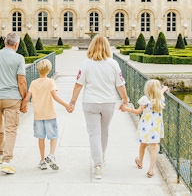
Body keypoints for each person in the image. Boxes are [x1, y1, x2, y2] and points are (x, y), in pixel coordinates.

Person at [69, 35, 130, 179]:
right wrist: (125, 100)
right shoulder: (113, 63)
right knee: (104, 131)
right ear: (107, 47)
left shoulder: (86, 64)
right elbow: (120, 85)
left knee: (94, 134)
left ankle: (97, 165)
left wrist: (72, 102)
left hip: (90, 102)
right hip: (108, 102)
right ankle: (101, 156)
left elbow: (78, 84)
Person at [0, 32, 27, 174]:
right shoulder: (19, 58)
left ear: (4, 42)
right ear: (16, 44)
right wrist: (24, 100)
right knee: (11, 130)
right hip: (11, 98)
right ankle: (7, 161)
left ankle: (1, 154)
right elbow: (21, 82)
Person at [23, 59, 73, 171]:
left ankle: (42, 161)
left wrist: (22, 106)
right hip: (50, 114)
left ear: (38, 69)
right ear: (49, 70)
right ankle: (51, 155)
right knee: (53, 136)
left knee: (41, 138)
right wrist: (66, 105)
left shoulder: (33, 83)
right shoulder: (50, 82)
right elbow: (54, 96)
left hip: (38, 115)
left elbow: (27, 98)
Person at [121, 79, 169, 178]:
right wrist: (164, 88)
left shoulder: (145, 99)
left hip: (145, 126)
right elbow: (160, 92)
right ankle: (151, 170)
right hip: (156, 127)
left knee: (143, 144)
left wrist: (126, 109)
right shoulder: (160, 98)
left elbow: (137, 111)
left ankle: (140, 162)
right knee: (153, 147)